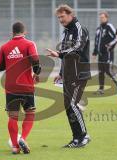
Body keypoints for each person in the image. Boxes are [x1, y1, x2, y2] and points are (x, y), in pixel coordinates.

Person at [46, 4, 91, 148]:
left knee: (72, 104)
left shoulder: (79, 29)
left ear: (70, 14)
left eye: (62, 16)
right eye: (58, 17)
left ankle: (84, 136)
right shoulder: (66, 32)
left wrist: (58, 54)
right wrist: (60, 73)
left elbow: (77, 48)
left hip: (79, 73)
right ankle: (76, 138)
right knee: (68, 106)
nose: (60, 19)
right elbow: (66, 55)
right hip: (69, 74)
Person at [0, 22, 41, 154]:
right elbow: (35, 60)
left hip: (10, 87)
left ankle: (15, 147)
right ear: (24, 31)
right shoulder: (29, 44)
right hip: (26, 85)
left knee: (13, 117)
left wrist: (11, 60)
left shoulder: (4, 47)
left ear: (12, 32)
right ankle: (23, 138)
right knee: (30, 113)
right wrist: (37, 74)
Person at [92, 11, 117, 95]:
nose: (101, 19)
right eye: (100, 17)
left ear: (106, 18)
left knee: (108, 70)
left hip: (107, 53)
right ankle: (101, 89)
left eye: (103, 17)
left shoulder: (109, 26)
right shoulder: (98, 29)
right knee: (101, 71)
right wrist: (95, 53)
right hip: (100, 54)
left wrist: (110, 46)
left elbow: (116, 37)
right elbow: (97, 42)